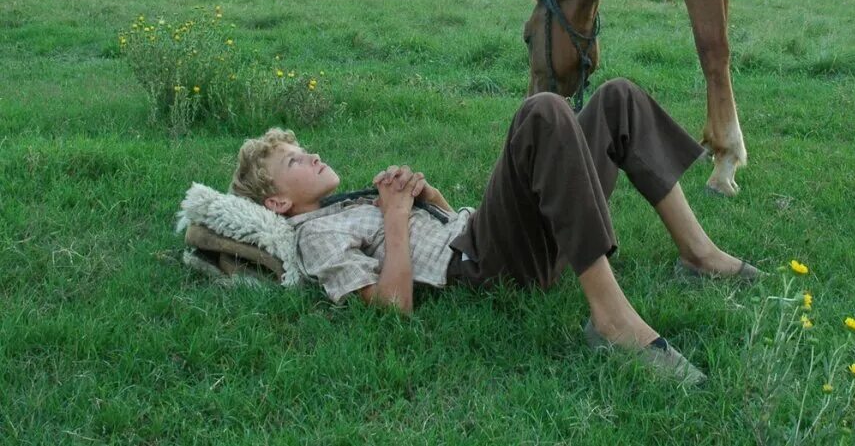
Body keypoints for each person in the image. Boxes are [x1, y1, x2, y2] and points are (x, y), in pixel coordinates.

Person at [230, 78, 758, 384]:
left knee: (618, 98)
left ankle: (699, 254)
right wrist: (393, 215)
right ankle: (612, 320)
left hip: (488, 234)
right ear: (278, 201)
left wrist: (427, 200)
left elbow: (431, 230)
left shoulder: (346, 205)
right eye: (296, 159)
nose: (313, 154)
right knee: (542, 113)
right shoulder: (314, 235)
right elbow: (392, 307)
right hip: (484, 264)